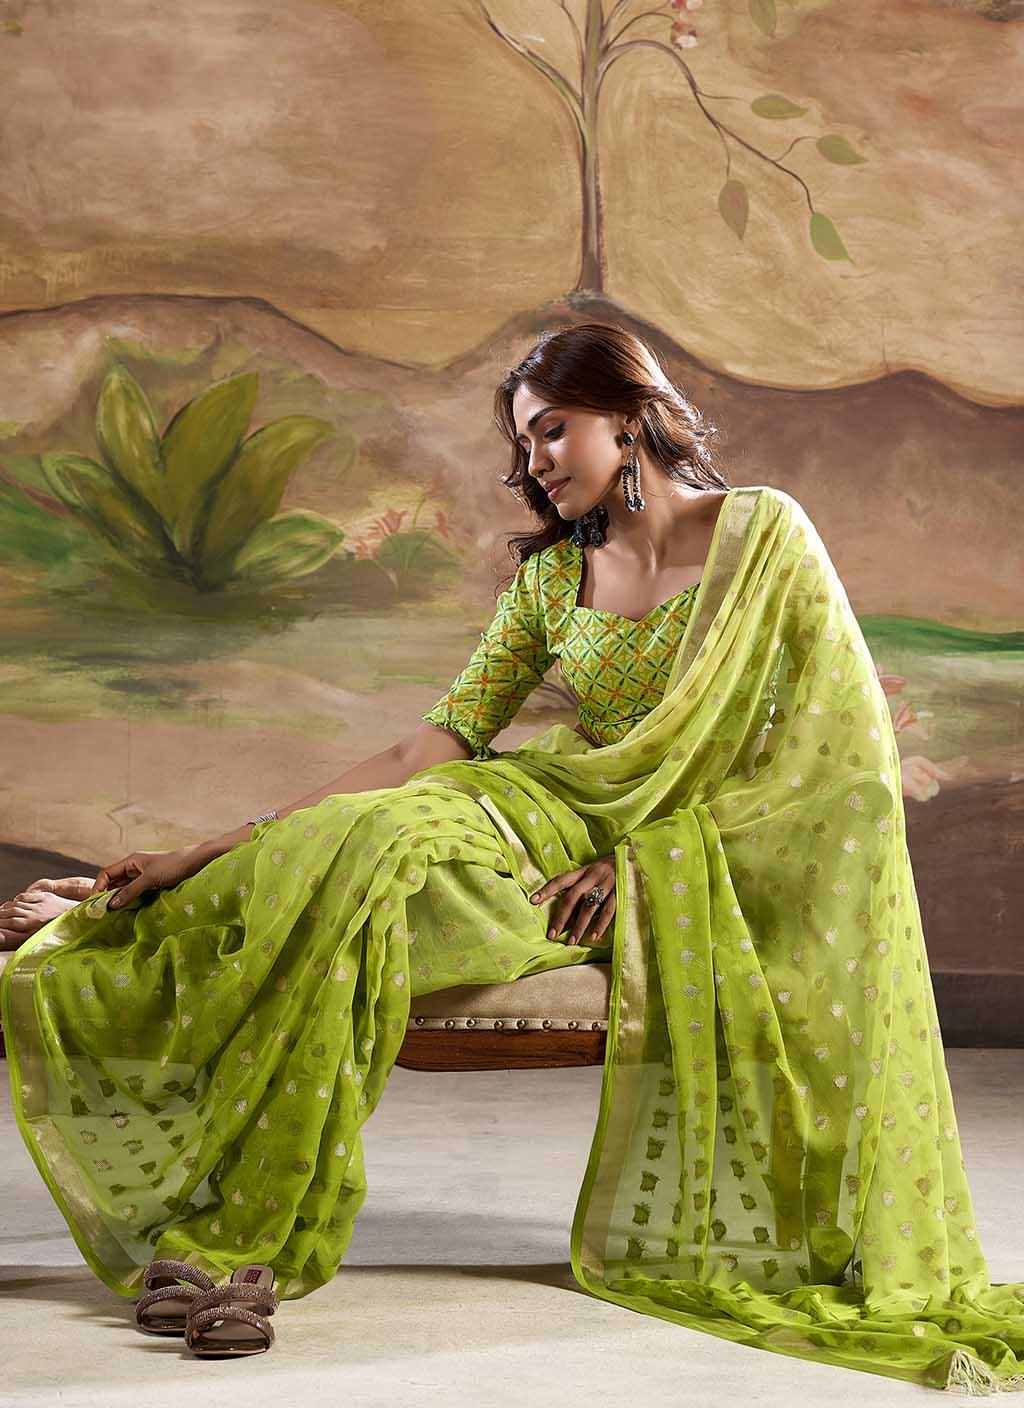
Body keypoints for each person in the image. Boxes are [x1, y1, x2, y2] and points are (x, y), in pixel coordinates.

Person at [2, 322, 1022, 1392]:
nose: (534, 462)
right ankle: (141, 928)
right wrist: (201, 847)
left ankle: (233, 1225)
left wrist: (640, 863)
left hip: (647, 854)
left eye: (552, 431)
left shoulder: (763, 538)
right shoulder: (552, 581)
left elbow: (839, 761)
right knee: (369, 837)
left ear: (629, 418)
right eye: (525, 442)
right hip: (529, 810)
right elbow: (428, 747)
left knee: (370, 888)